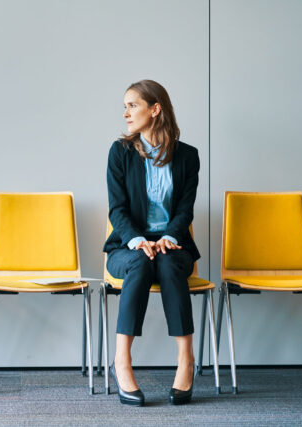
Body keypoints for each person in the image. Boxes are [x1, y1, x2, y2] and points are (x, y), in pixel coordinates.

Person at [104, 79, 200, 406]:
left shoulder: (187, 157)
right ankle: (121, 361)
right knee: (142, 262)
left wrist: (169, 237)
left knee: (170, 263)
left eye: (133, 105)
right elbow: (117, 209)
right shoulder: (120, 153)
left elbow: (185, 209)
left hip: (173, 245)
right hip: (127, 246)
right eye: (125, 106)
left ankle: (186, 360)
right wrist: (136, 240)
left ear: (155, 109)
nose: (126, 112)